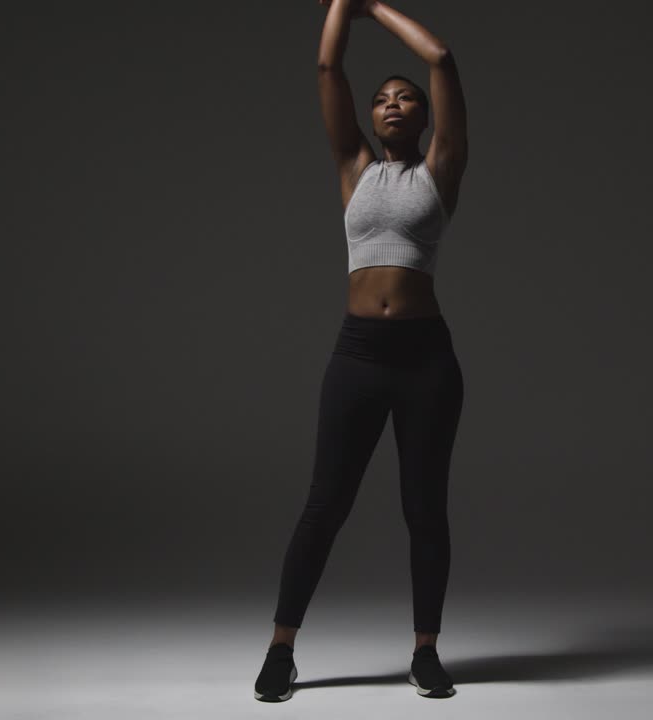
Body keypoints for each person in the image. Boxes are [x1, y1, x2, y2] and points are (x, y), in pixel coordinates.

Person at [254, 0, 469, 703]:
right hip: (359, 355)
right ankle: (282, 651)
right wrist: (344, 6)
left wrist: (379, 7)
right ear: (371, 120)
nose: (394, 105)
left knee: (424, 507)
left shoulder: (441, 168)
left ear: (424, 117)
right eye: (382, 100)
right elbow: (326, 64)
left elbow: (440, 58)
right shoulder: (353, 168)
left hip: (426, 361)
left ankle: (427, 652)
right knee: (325, 504)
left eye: (405, 99)